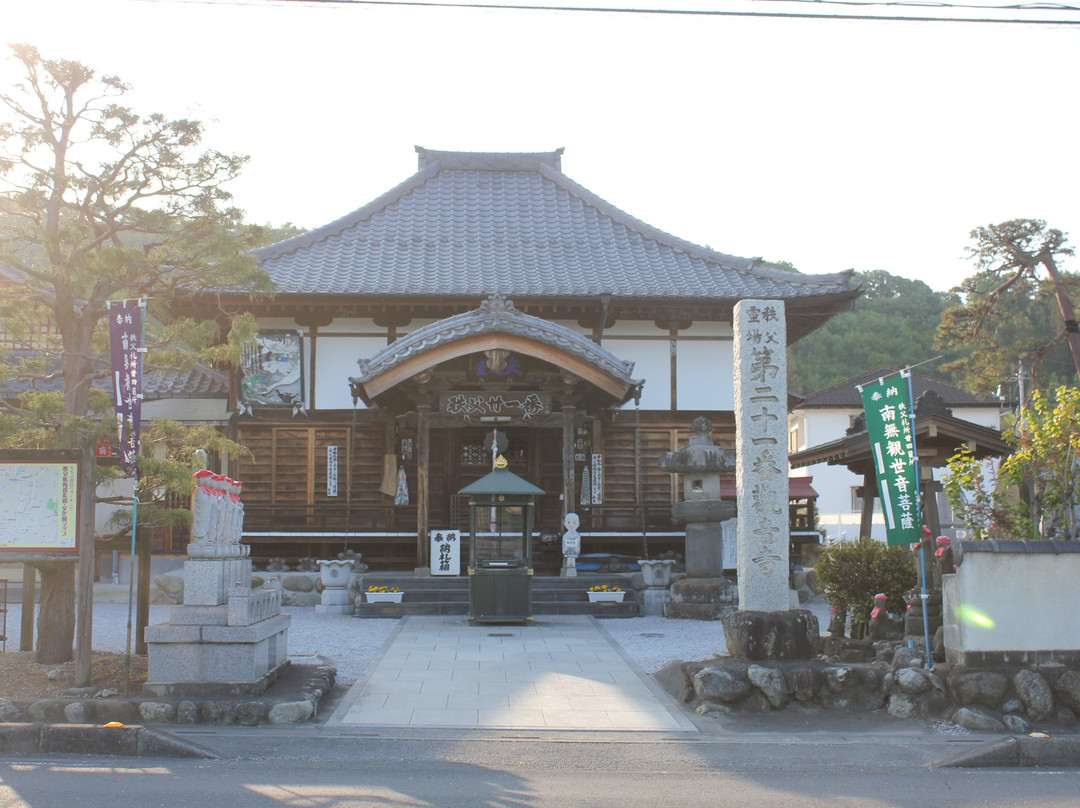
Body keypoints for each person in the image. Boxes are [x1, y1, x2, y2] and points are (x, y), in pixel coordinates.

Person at [562, 512, 581, 577]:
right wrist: (564, 548)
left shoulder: (577, 535)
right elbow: (564, 542)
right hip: (568, 549)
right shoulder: (565, 535)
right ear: (565, 524)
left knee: (573, 558)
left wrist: (577, 548)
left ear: (578, 524)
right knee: (569, 558)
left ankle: (573, 565)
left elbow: (578, 543)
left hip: (574, 549)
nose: (571, 525)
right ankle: (568, 566)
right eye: (569, 522)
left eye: (574, 522)